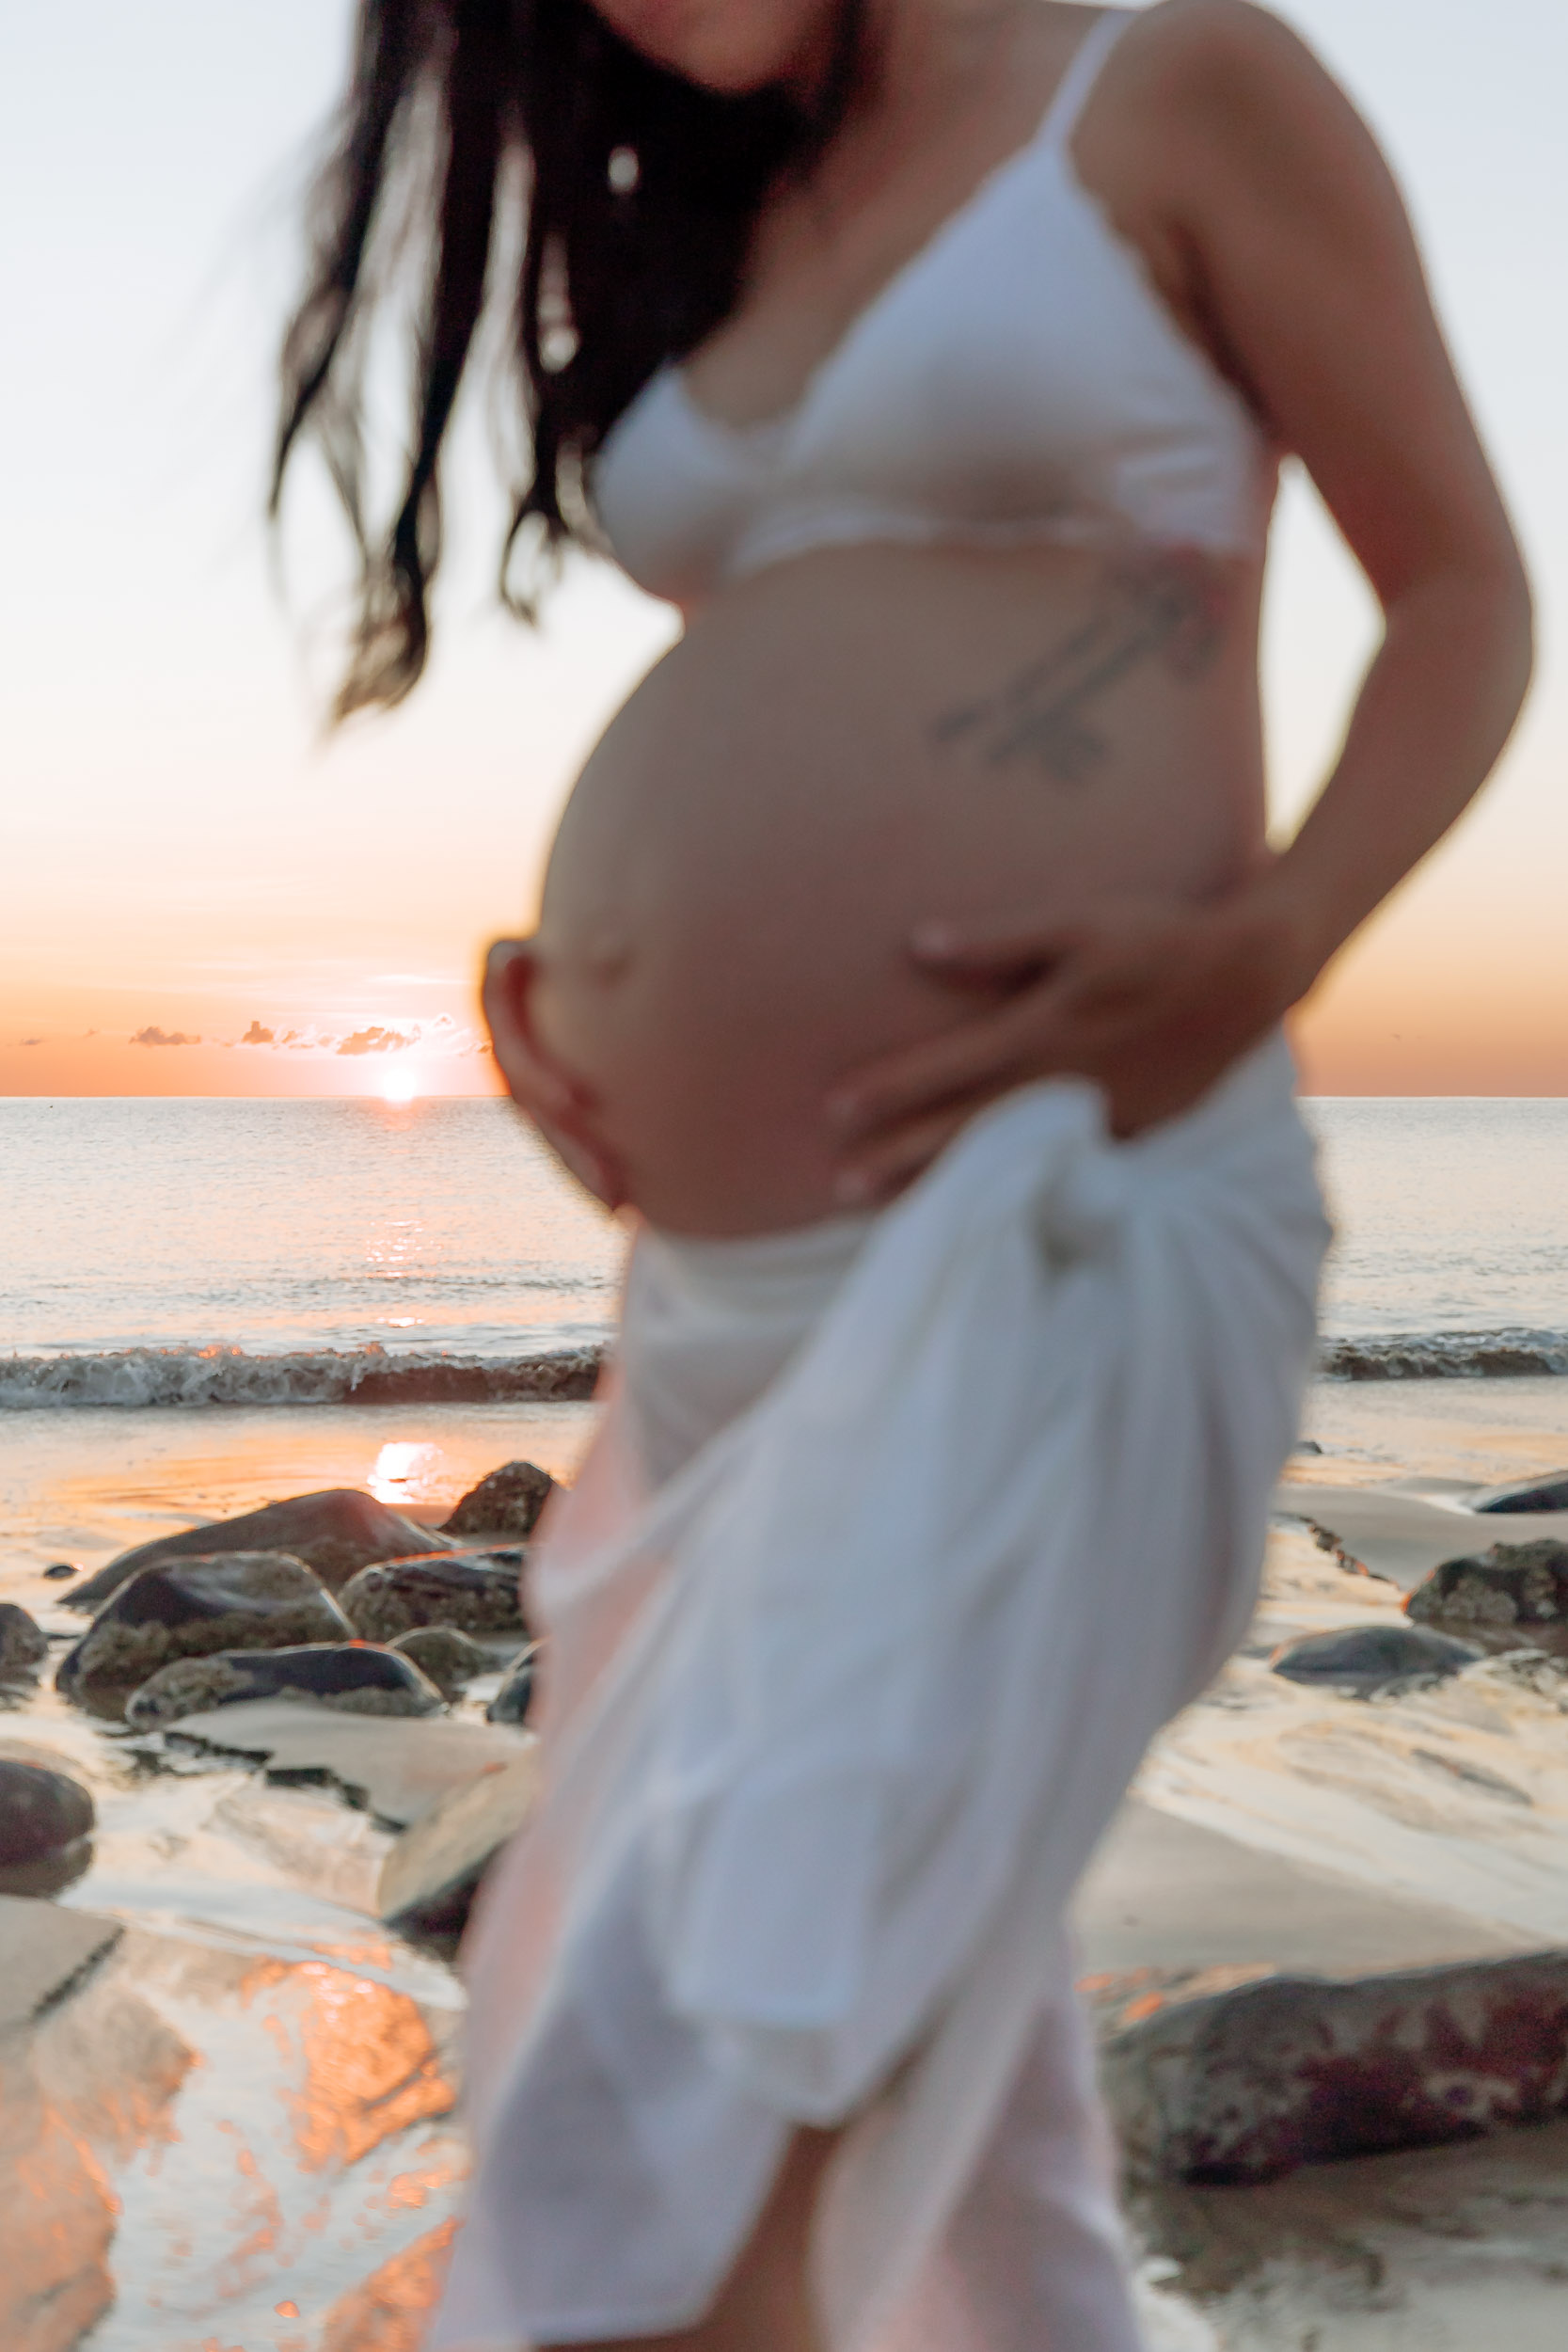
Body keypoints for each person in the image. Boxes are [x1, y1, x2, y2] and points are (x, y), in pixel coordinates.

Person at [275, 2, 1532, 2345]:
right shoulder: (730, 211)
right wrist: (582, 993)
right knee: (895, 2107)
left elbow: (1464, 591)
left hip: (1060, 1210)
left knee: (713, 2092)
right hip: (722, 1314)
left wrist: (1268, 936)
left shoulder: (1173, 84)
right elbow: (795, 671)